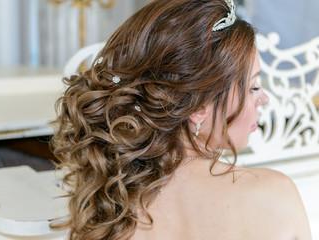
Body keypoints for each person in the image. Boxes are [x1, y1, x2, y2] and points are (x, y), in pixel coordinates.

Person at [51, 0, 312, 239]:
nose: (263, 98)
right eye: (253, 86)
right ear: (198, 108)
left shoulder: (110, 202)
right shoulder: (274, 194)